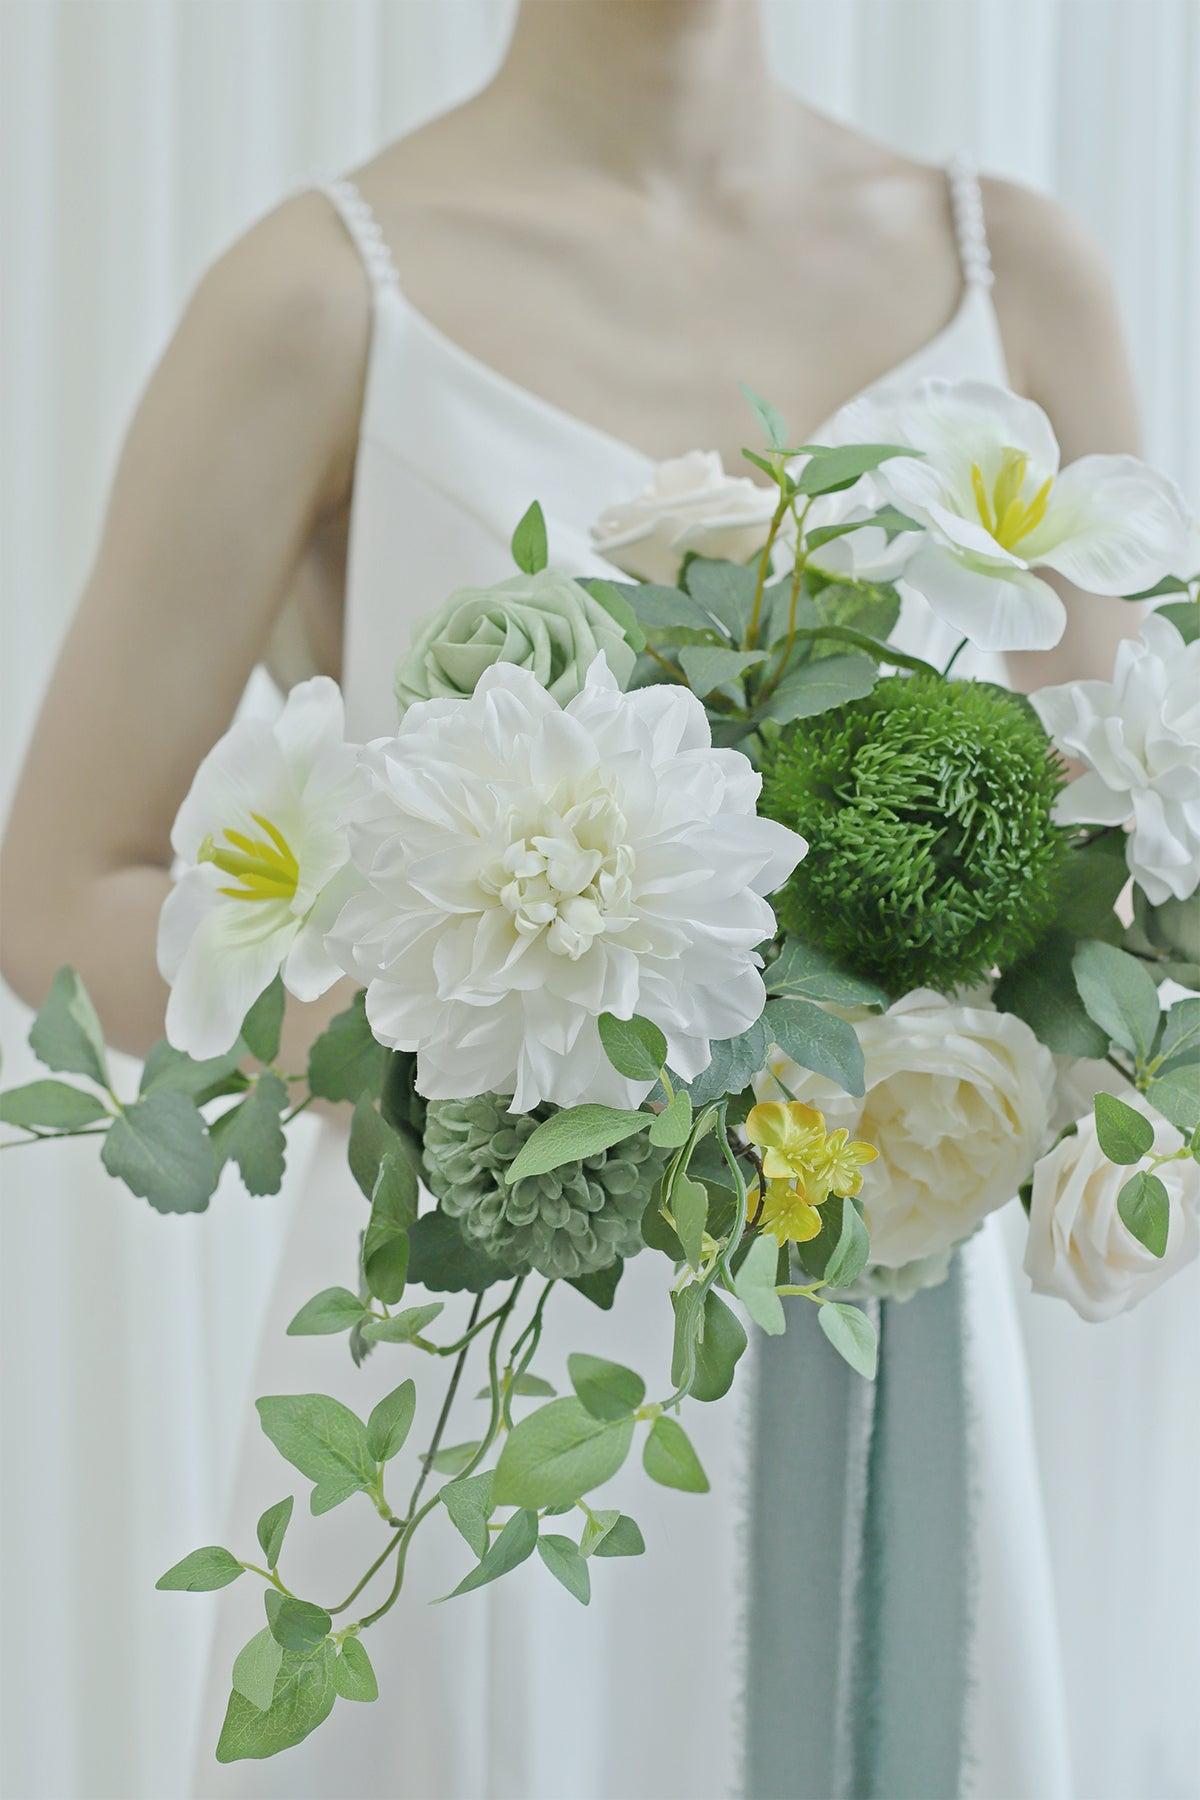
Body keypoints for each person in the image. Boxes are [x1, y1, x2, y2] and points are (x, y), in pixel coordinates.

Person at [1, 3, 1142, 1795]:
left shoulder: (1022, 278)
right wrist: (417, 1052)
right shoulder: (318, 296)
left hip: (879, 1298)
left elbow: (1122, 857)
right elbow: (61, 883)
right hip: (479, 1354)